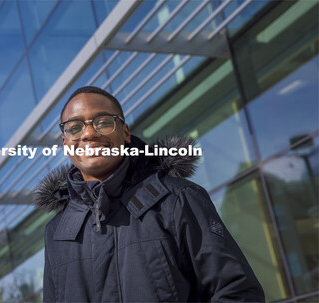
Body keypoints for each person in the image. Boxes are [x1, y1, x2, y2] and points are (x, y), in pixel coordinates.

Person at [33, 86, 265, 302]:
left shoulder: (177, 199)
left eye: (103, 122)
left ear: (125, 133)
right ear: (66, 144)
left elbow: (237, 292)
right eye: (75, 128)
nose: (89, 133)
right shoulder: (57, 232)